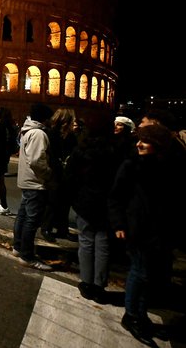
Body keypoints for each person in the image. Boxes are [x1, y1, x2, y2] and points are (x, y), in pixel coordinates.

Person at [108, 124, 182, 345]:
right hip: (137, 229)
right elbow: (116, 197)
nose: (139, 144)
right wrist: (119, 224)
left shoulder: (168, 166)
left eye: (145, 141)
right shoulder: (132, 165)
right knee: (140, 273)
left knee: (148, 275)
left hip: (159, 231)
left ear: (159, 145)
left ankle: (140, 315)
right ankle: (132, 316)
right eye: (139, 140)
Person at [68, 115, 116, 304]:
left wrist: (75, 199)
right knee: (103, 244)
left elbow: (70, 177)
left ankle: (86, 282)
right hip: (107, 203)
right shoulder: (116, 151)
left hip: (86, 202)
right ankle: (99, 285)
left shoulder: (82, 149)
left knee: (86, 242)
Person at [12, 103, 54, 271]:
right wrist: (49, 173)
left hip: (26, 180)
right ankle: (27, 256)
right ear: (45, 118)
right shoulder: (38, 134)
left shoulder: (27, 130)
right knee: (31, 220)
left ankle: (18, 247)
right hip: (35, 182)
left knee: (23, 216)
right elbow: (37, 161)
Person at [41, 108, 78, 242]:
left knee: (65, 202)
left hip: (67, 173)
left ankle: (63, 229)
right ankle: (46, 228)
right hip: (55, 172)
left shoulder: (71, 135)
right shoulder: (51, 134)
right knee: (52, 201)